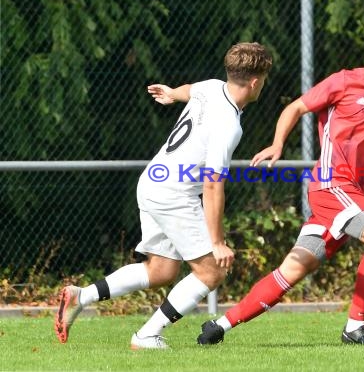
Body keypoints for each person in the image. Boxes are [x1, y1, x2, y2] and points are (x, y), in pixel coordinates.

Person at [197, 24, 364, 346]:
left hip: (351, 195)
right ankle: (354, 328)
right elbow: (296, 107)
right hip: (331, 184)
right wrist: (278, 144)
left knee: (294, 268)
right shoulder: (345, 81)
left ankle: (217, 326)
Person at [54, 42, 273, 349]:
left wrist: (172, 93)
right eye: (264, 79)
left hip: (152, 182)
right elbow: (212, 186)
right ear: (254, 82)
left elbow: (189, 90)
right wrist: (218, 241)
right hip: (174, 194)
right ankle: (146, 335)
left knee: (161, 270)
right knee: (211, 271)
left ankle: (82, 295)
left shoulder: (211, 87)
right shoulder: (228, 124)